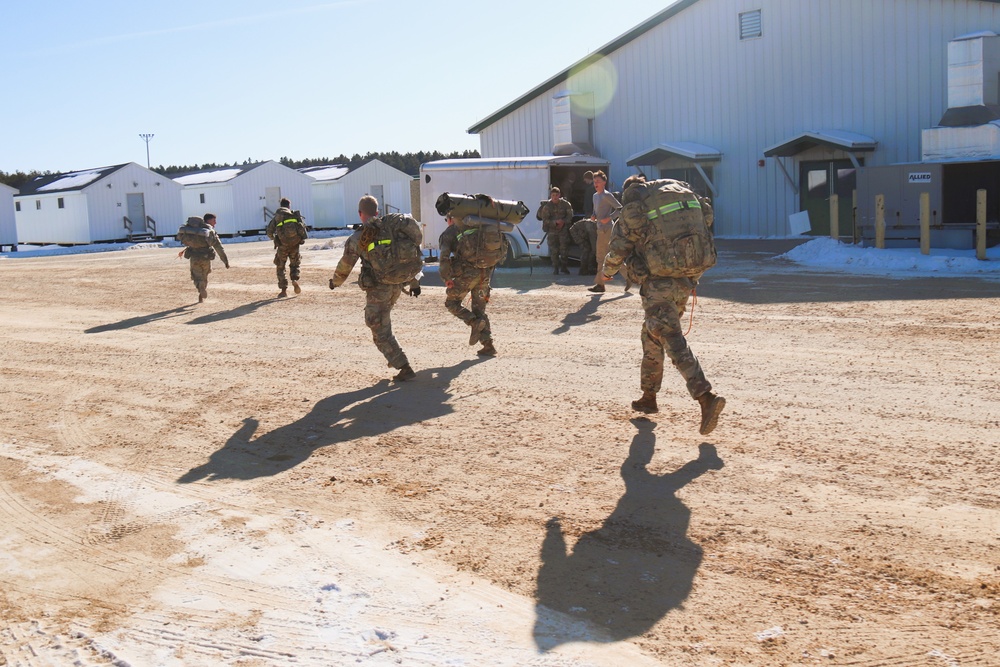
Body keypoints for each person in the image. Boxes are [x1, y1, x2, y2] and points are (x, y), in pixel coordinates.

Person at [600, 174, 726, 435]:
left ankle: (705, 397)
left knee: (668, 335)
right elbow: (707, 219)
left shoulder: (636, 207)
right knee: (651, 335)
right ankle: (649, 396)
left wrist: (607, 271)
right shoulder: (672, 196)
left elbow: (619, 247)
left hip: (659, 280)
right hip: (688, 275)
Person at [328, 195, 421, 382]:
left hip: (379, 289)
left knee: (377, 327)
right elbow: (404, 258)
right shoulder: (392, 229)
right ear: (377, 212)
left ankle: (403, 365)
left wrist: (334, 282)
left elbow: (346, 265)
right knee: (383, 323)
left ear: (360, 214)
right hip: (397, 285)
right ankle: (397, 359)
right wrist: (414, 282)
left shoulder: (360, 237)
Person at [438, 212, 506, 357]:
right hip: (485, 274)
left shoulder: (451, 231)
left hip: (466, 275)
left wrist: (446, 278)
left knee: (452, 303)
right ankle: (488, 345)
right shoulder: (482, 227)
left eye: (447, 219)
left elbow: (444, 257)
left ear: (451, 218)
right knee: (479, 310)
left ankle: (473, 322)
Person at [177, 213, 229, 303]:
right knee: (204, 276)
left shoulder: (193, 231)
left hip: (194, 257)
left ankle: (200, 289)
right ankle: (202, 289)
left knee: (196, 276)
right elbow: (219, 248)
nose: (215, 223)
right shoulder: (209, 232)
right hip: (206, 257)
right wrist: (225, 261)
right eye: (214, 220)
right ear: (208, 220)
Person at [587, 171, 621, 293]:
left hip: (606, 229)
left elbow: (620, 209)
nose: (596, 183)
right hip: (599, 228)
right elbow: (596, 210)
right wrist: (593, 215)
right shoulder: (595, 196)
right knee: (609, 255)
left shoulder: (607, 195)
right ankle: (629, 278)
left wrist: (609, 218)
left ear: (604, 183)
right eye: (594, 181)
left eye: (598, 181)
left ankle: (600, 285)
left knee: (601, 256)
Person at [266, 197, 307, 298]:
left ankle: (283, 290)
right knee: (295, 264)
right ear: (289, 206)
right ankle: (294, 279)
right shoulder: (294, 215)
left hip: (282, 245)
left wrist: (275, 238)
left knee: (280, 266)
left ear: (281, 205)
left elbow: (269, 232)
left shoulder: (277, 216)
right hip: (294, 245)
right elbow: (303, 229)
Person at [536, 187, 574, 275]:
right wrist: (555, 222)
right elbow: (545, 220)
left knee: (564, 249)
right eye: (553, 195)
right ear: (551, 196)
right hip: (552, 231)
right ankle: (556, 268)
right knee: (554, 250)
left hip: (563, 230)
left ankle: (564, 267)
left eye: (557, 195)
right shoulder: (547, 206)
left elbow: (570, 216)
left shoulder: (566, 204)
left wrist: (563, 222)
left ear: (560, 195)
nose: (555, 197)